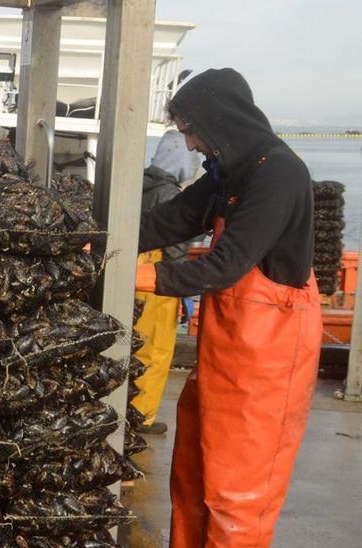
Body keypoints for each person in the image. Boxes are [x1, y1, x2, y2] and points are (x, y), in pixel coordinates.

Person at [135, 68, 320, 547]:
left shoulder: (279, 173)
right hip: (222, 357)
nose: (191, 145)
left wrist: (139, 277)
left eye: (192, 132)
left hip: (267, 367)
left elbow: (226, 265)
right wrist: (97, 245)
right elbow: (168, 221)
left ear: (219, 123)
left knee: (238, 498)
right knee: (194, 480)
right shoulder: (227, 172)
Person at [132, 130, 201, 435]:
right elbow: (175, 244)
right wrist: (183, 289)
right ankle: (141, 416)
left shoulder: (139, 183)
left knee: (133, 344)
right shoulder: (170, 193)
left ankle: (124, 407)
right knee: (155, 348)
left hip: (134, 270)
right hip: (158, 274)